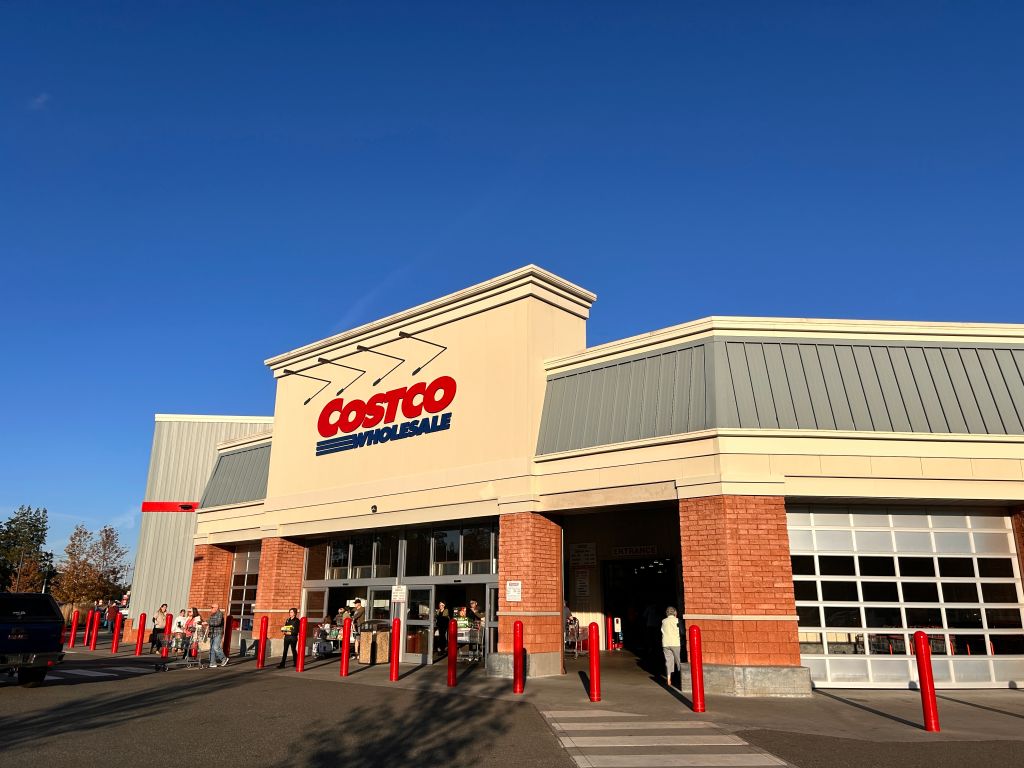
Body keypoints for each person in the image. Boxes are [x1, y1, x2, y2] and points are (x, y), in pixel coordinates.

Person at [661, 606, 682, 689]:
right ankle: (680, 679)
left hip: (666, 643)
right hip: (675, 643)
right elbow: (682, 632)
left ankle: (668, 679)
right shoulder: (677, 620)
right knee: (678, 661)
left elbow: (662, 631)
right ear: (675, 613)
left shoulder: (664, 621)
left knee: (668, 661)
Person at [207, 603, 228, 667]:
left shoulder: (220, 614)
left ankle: (224, 658)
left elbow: (217, 623)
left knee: (216, 647)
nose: (211, 609)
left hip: (218, 633)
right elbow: (208, 621)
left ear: (216, 608)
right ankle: (213, 663)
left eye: (212, 607)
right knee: (212, 649)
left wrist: (208, 622)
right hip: (212, 633)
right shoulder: (212, 614)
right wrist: (203, 622)